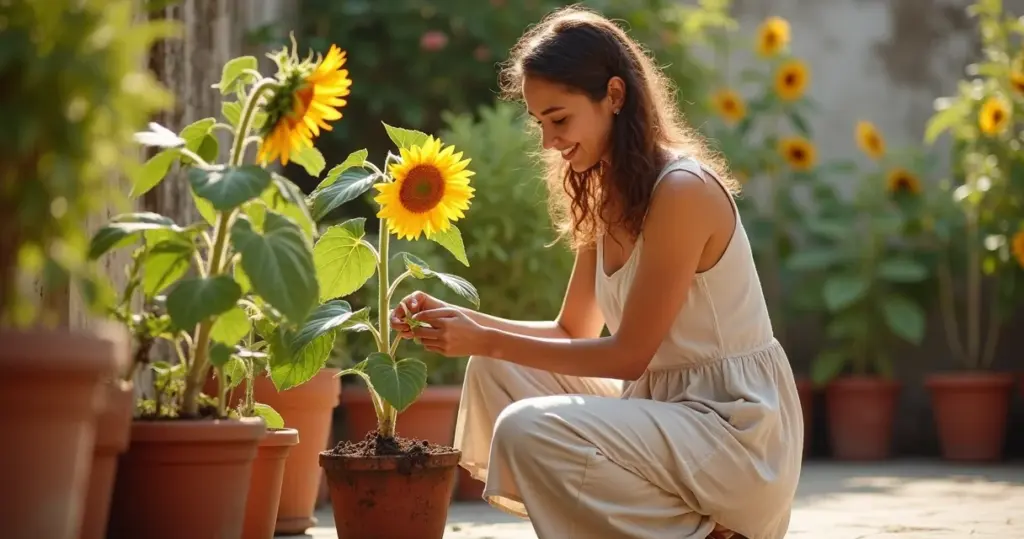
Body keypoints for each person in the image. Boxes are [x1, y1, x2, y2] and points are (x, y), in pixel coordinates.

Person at [391, 6, 803, 539]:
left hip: (734, 436)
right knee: (493, 371)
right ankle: (692, 529)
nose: (549, 142)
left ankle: (712, 529)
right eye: (540, 123)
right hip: (666, 414)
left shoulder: (681, 191)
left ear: (614, 95)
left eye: (559, 119)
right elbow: (572, 331)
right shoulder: (607, 194)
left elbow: (628, 355)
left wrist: (485, 338)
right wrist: (462, 324)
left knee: (524, 424)